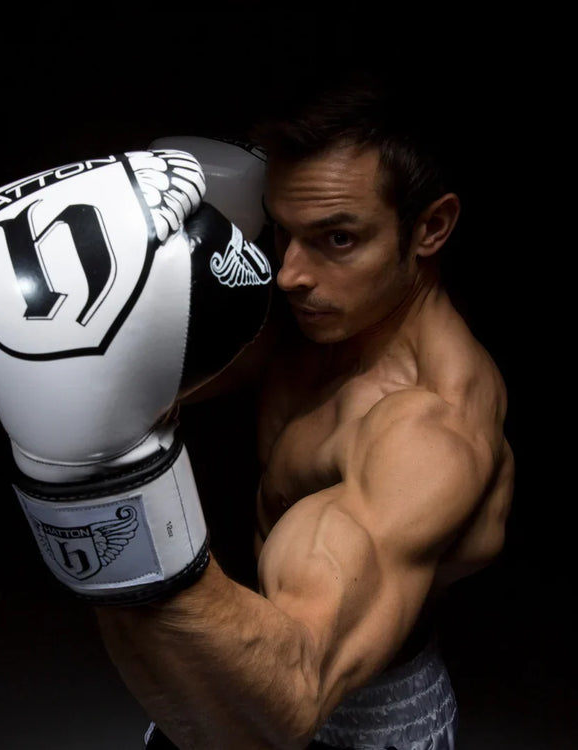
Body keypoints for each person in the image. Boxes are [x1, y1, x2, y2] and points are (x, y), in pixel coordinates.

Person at [91, 70, 515, 749]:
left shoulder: (428, 427)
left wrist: (108, 520)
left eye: (337, 238)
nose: (289, 273)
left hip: (343, 706)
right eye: (284, 232)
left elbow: (292, 695)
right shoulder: (318, 316)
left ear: (431, 228)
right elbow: (141, 400)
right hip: (248, 666)